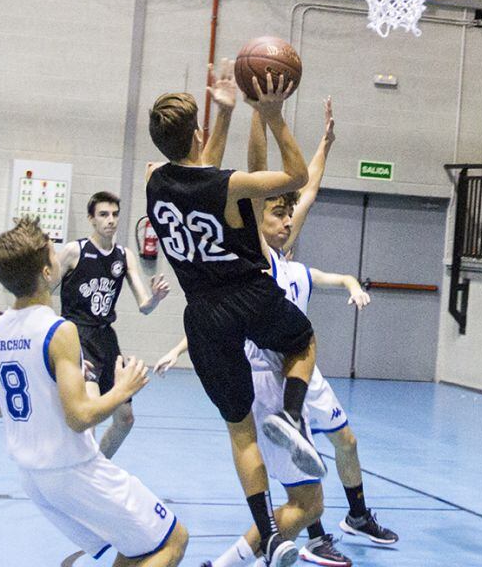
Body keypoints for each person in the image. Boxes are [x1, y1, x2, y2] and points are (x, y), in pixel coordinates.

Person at [156, 99, 397, 567]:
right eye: (276, 214)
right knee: (306, 500)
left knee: (342, 443)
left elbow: (308, 187)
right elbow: (262, 170)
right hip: (266, 372)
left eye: (289, 216)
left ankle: (350, 516)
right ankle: (281, 543)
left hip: (296, 372)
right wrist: (260, 114)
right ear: (256, 215)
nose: (287, 221)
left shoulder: (291, 260)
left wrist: (325, 142)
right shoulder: (253, 246)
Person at [146, 59, 324, 567]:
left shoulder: (155, 183)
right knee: (302, 341)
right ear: (196, 131)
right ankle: (291, 413)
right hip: (247, 293)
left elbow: (200, 173)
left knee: (240, 429)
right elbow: (297, 174)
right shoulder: (227, 187)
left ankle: (268, 534)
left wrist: (222, 115)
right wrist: (272, 113)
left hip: (201, 315)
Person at [0, 217, 188, 567]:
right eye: (52, 253)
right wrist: (122, 389)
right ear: (46, 272)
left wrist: (47, 390)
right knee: (174, 541)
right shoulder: (59, 330)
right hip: (73, 470)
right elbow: (79, 417)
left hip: (32, 477)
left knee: (134, 549)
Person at [59, 190, 170, 458]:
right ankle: (84, 473)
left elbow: (144, 306)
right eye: (103, 215)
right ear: (91, 219)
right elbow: (42, 290)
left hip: (107, 340)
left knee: (125, 419)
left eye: (115, 214)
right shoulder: (75, 251)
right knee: (92, 413)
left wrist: (155, 298)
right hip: (77, 336)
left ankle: (98, 465)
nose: (110, 220)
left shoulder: (124, 256)